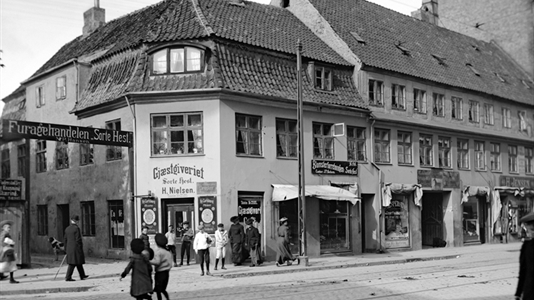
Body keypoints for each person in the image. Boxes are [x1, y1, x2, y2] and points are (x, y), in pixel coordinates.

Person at [515, 211, 534, 300]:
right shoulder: (527, 246)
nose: (531, 232)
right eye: (530, 229)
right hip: (530, 292)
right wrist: (518, 293)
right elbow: (523, 271)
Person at [64, 216, 88, 281]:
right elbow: (78, 239)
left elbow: (65, 239)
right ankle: (68, 277)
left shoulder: (67, 228)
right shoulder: (76, 228)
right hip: (76, 248)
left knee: (78, 262)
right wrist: (80, 247)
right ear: (77, 221)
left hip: (69, 247)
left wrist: (65, 249)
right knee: (73, 262)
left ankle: (82, 275)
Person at [151, 233, 173, 300]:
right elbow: (170, 263)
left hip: (159, 273)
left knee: (158, 290)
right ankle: (167, 298)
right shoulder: (168, 252)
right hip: (166, 273)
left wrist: (149, 261)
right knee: (163, 289)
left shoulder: (159, 252)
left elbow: (157, 262)